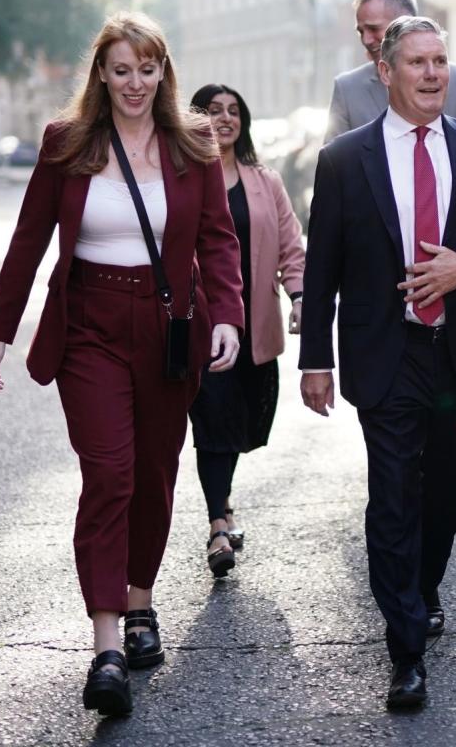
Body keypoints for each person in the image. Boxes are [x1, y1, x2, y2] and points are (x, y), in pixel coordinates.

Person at [0, 12, 244, 715]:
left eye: (147, 69)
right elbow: (30, 237)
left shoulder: (193, 142)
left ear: (164, 73)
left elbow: (217, 243)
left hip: (168, 328)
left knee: (155, 472)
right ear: (101, 72)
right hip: (89, 323)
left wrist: (229, 319)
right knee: (110, 472)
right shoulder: (67, 142)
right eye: (121, 69)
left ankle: (140, 602)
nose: (134, 83)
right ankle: (106, 647)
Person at [299, 16, 456, 709]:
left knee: (452, 480)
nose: (433, 75)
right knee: (394, 494)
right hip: (387, 350)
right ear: (386, 72)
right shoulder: (345, 159)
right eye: (418, 63)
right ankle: (405, 648)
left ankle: (422, 585)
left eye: (441, 62)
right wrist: (316, 359)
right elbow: (323, 267)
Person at [187, 83, 307, 576]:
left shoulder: (265, 181)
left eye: (234, 111)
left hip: (256, 324)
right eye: (214, 111)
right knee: (214, 423)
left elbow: (290, 246)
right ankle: (218, 522)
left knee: (241, 426)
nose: (225, 119)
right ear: (195, 119)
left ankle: (225, 504)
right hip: (203, 326)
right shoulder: (182, 178)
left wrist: (299, 296)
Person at [325, 0, 456, 141]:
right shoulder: (347, 89)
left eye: (374, 29)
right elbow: (335, 163)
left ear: (407, 23)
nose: (366, 40)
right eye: (361, 31)